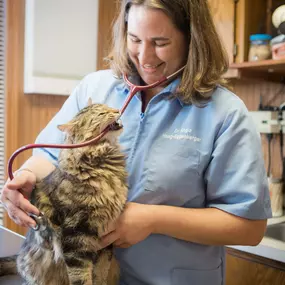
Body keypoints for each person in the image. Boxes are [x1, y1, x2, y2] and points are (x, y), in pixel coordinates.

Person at [1, 0, 272, 284]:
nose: (144, 57)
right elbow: (50, 157)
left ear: (193, 39)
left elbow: (249, 227)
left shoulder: (225, 113)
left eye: (160, 42)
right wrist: (26, 177)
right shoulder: (95, 88)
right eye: (135, 39)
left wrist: (152, 219)